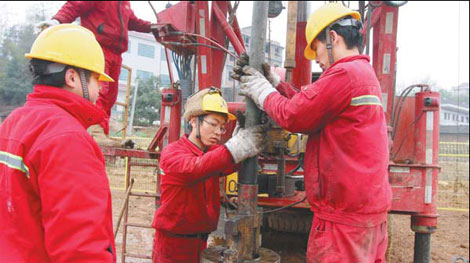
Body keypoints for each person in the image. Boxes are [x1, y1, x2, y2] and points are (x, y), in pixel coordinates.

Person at [232, 3, 392, 263]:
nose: (316, 58)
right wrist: (276, 84)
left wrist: (261, 91)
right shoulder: (363, 74)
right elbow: (312, 108)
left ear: (331, 38)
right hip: (365, 213)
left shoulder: (344, 74)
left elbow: (294, 116)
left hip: (343, 220)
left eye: (316, 48)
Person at [0, 24, 116, 262]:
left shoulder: (14, 122)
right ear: (72, 77)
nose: (99, 91)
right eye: (96, 80)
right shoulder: (68, 138)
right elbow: (81, 250)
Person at [152, 87, 266, 263]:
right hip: (174, 245)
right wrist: (236, 146)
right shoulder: (172, 153)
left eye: (222, 128)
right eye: (213, 124)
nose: (218, 133)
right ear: (193, 120)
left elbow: (226, 163)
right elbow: (196, 168)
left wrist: (243, 143)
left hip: (201, 242)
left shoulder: (209, 153)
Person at [36, 1, 152, 145]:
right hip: (99, 47)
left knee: (110, 96)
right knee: (99, 90)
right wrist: (57, 20)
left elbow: (132, 21)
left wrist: (152, 27)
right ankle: (94, 132)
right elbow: (75, 4)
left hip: (116, 53)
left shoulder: (124, 3)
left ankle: (101, 133)